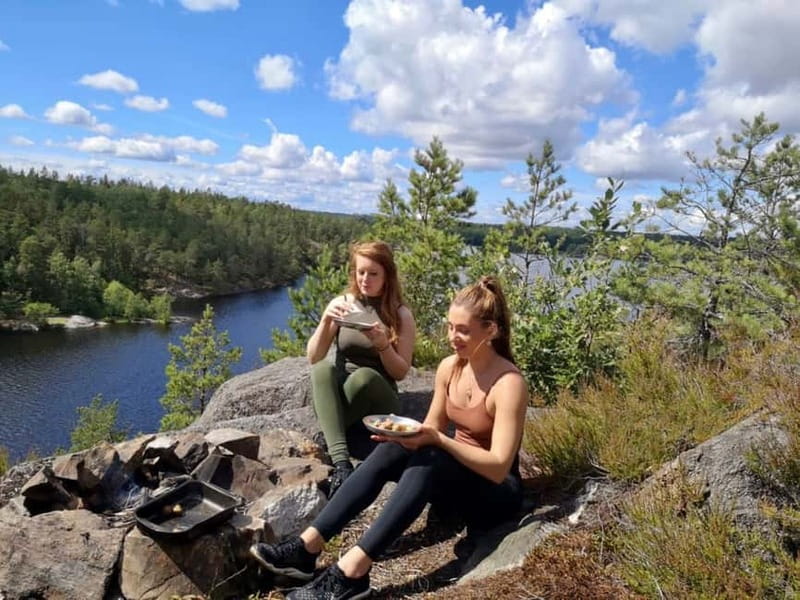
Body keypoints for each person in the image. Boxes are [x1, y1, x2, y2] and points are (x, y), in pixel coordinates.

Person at [250, 276, 528, 600]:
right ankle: (306, 548)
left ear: (491, 330)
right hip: (456, 480)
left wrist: (436, 440)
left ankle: (352, 573)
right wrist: (406, 437)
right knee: (391, 451)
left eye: (463, 330)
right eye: (450, 327)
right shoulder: (450, 368)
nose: (453, 337)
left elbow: (497, 467)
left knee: (433, 457)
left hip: (497, 495)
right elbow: (431, 427)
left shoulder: (508, 383)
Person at [306, 240, 416, 497]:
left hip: (379, 396)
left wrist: (382, 345)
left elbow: (400, 372)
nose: (365, 279)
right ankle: (342, 464)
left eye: (373, 273)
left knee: (365, 376)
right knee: (322, 370)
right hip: (346, 398)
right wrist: (326, 319)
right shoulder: (345, 304)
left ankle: (334, 439)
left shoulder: (400, 315)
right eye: (360, 271)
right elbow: (314, 356)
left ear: (387, 275)